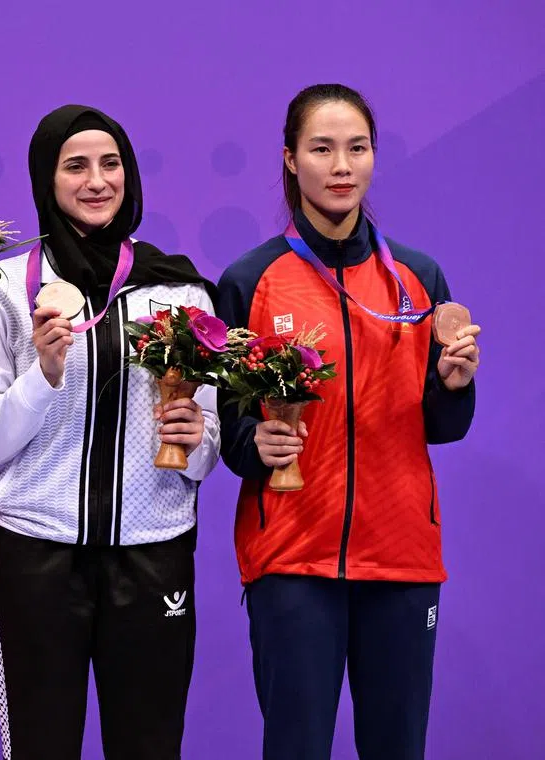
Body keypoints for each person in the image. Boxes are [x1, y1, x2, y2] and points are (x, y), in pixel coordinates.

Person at [216, 83, 481, 760]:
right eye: (322, 148)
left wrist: (454, 386)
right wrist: (257, 442)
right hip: (292, 562)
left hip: (401, 560)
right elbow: (231, 426)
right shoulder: (252, 279)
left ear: (372, 159)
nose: (341, 165)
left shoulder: (419, 279)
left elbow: (443, 425)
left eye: (356, 148)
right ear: (289, 160)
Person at [0, 104, 221, 760]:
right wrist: (44, 372)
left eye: (111, 165)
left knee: (151, 746)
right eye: (75, 166)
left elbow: (207, 443)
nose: (97, 180)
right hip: (36, 557)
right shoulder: (1, 290)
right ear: (46, 180)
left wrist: (194, 442)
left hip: (153, 549)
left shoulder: (180, 293)